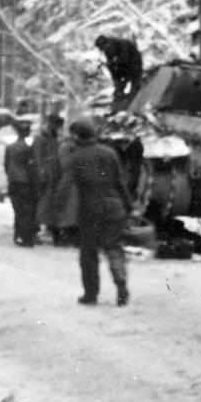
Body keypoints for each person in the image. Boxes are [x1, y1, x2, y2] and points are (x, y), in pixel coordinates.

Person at [58, 117, 131, 307]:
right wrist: (128, 205)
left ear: (76, 137)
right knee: (114, 248)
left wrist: (58, 208)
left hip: (90, 210)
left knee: (88, 253)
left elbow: (65, 186)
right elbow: (120, 182)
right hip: (115, 207)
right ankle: (121, 283)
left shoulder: (76, 157)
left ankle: (91, 294)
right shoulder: (110, 153)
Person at [4, 120, 39, 246]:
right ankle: (26, 237)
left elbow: (6, 166)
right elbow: (32, 167)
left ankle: (18, 234)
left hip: (13, 181)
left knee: (17, 209)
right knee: (26, 210)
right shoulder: (28, 149)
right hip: (25, 182)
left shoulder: (10, 148)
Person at [33, 114, 66, 245]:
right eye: (57, 126)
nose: (58, 129)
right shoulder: (40, 137)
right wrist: (41, 173)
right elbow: (37, 157)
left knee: (51, 204)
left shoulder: (54, 137)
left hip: (55, 175)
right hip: (45, 175)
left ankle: (52, 231)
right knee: (40, 203)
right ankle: (34, 230)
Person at [95, 35, 143, 102]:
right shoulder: (108, 50)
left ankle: (135, 93)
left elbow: (124, 59)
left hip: (134, 62)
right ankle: (121, 95)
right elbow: (112, 67)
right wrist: (116, 81)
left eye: (104, 47)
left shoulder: (123, 44)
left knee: (135, 85)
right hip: (123, 67)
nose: (104, 50)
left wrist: (114, 64)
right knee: (118, 90)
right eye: (102, 49)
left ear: (108, 43)